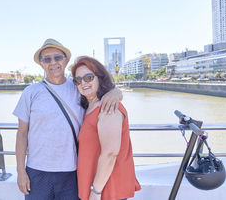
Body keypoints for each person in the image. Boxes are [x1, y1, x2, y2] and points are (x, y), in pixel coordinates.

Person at [13, 39, 122, 200]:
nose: (53, 63)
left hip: (72, 171)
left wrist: (116, 93)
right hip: (37, 171)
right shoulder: (30, 92)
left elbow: (102, 92)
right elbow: (22, 134)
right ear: (41, 64)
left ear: (66, 60)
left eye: (57, 57)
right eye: (47, 59)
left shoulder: (79, 87)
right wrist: (21, 171)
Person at [71, 56, 141, 200]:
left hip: (107, 188)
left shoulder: (108, 107)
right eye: (78, 80)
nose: (83, 83)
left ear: (100, 78)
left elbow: (110, 153)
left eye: (88, 77)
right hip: (96, 183)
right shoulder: (90, 107)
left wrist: (96, 192)